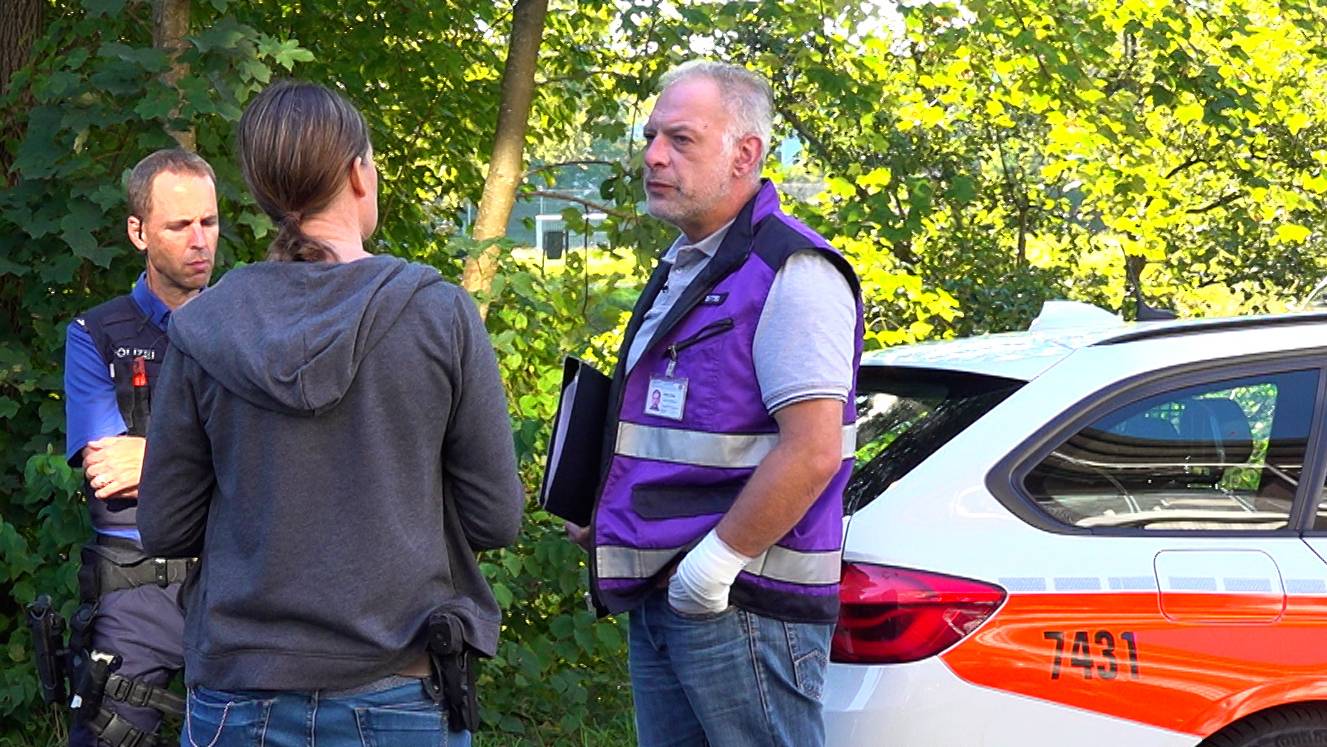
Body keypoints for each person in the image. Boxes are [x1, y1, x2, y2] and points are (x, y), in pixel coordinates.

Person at [136, 80, 523, 745]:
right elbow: (496, 515)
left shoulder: (206, 326)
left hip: (239, 692)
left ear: (262, 193)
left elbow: (165, 525)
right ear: (357, 173)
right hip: (397, 688)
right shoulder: (437, 313)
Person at [565, 61, 864, 746]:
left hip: (743, 601)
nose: (652, 156)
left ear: (745, 154)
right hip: (674, 589)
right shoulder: (687, 264)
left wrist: (715, 564)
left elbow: (814, 447)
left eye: (680, 139)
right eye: (649, 137)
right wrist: (604, 505)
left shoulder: (792, 272)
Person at [63, 148, 218, 746]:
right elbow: (110, 473)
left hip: (232, 583)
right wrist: (223, 458)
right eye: (179, 225)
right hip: (133, 591)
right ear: (138, 231)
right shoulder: (95, 333)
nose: (199, 240)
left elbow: (272, 462)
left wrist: (151, 457)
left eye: (208, 221)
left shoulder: (249, 327)